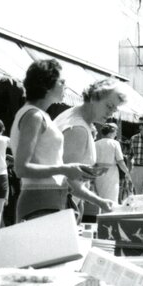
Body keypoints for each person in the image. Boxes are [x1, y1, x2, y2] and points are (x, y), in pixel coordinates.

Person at [10, 58, 96, 222]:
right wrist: (65, 169)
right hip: (40, 201)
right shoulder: (34, 116)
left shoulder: (39, 115)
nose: (65, 86)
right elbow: (21, 168)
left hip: (47, 199)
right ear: (47, 84)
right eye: (62, 81)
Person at [53, 78, 128, 218]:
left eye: (114, 109)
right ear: (94, 98)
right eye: (109, 106)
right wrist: (100, 202)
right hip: (57, 211)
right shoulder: (78, 129)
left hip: (58, 206)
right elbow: (67, 183)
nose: (111, 113)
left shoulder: (72, 115)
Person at [94, 122, 131, 203]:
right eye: (115, 132)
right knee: (111, 197)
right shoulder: (115, 143)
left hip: (98, 171)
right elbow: (120, 161)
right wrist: (127, 172)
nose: (116, 134)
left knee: (100, 196)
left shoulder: (96, 143)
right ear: (111, 132)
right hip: (111, 172)